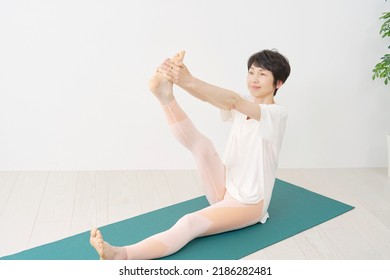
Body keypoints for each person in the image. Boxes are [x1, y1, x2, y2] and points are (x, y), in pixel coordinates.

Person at [90, 49, 291, 260]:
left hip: (249, 203)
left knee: (190, 223)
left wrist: (188, 79)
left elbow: (233, 101)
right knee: (203, 145)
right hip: (226, 185)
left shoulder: (276, 115)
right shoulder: (242, 103)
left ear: (278, 83)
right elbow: (207, 97)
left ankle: (122, 255)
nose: (254, 79)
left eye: (262, 74)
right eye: (251, 72)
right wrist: (178, 80)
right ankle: (165, 96)